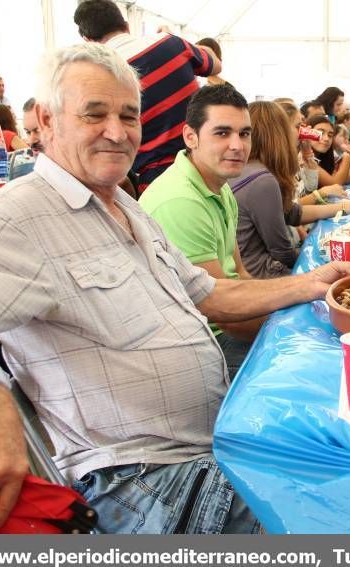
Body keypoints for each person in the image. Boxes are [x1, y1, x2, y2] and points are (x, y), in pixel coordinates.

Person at [0, 42, 350, 535]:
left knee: (348, 451)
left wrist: (312, 283)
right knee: (332, 512)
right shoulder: (13, 219)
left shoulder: (122, 204)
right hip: (137, 483)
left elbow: (211, 293)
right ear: (46, 121)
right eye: (95, 115)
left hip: (203, 447)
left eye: (129, 116)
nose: (116, 132)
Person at [139, 85, 260, 379]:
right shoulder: (181, 200)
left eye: (244, 133)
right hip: (199, 344)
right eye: (222, 133)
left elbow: (241, 274)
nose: (237, 145)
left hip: (221, 323)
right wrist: (290, 320)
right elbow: (223, 315)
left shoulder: (218, 184)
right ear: (190, 137)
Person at [74, 0, 222, 193]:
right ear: (126, 25)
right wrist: (174, 36)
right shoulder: (171, 43)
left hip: (156, 182)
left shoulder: (100, 75)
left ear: (88, 40)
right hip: (205, 163)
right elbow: (216, 65)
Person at [230, 101, 350, 279]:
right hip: (263, 276)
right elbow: (282, 251)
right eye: (298, 126)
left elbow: (293, 212)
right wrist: (316, 265)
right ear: (278, 132)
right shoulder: (262, 180)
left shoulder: (256, 169)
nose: (302, 133)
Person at [306, 114, 350, 187]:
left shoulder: (324, 157)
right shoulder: (304, 158)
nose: (326, 139)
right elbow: (334, 184)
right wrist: (346, 159)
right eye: (320, 133)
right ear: (307, 133)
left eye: (330, 135)